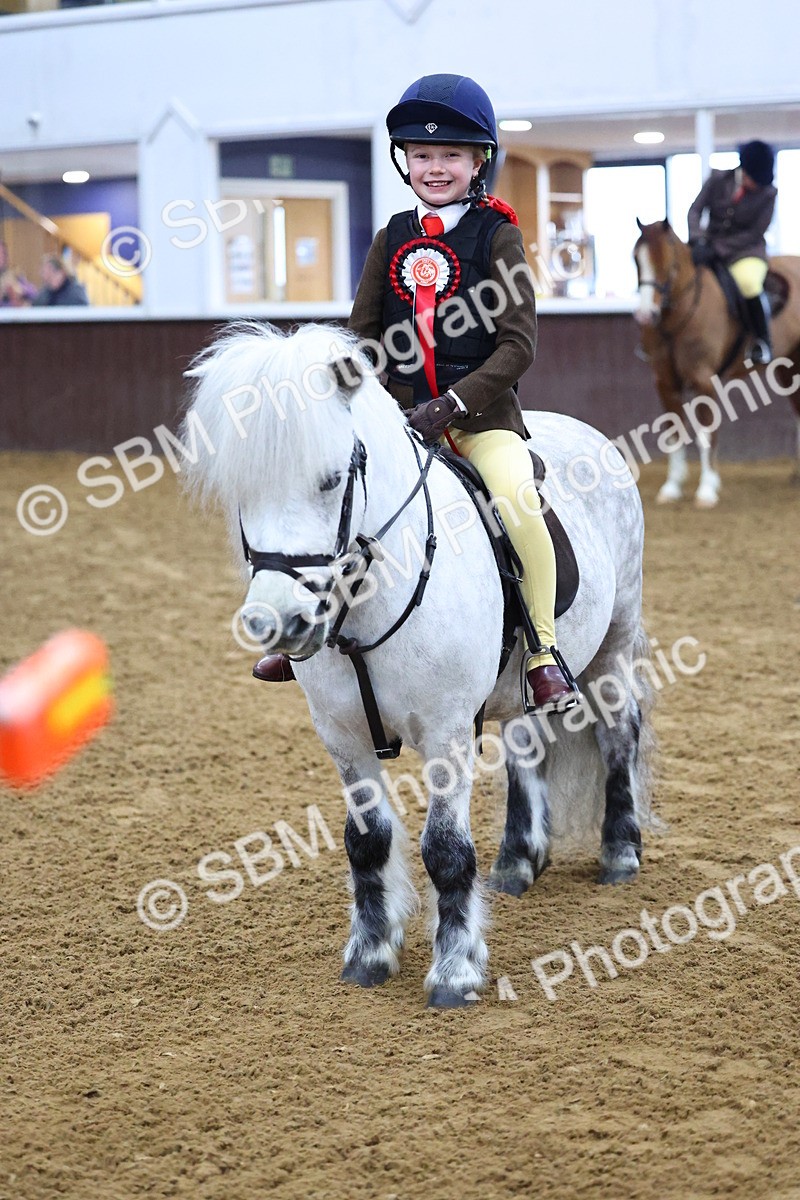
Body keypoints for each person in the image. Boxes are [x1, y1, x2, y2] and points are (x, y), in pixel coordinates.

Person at [254, 73, 580, 713]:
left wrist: (453, 405)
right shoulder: (393, 235)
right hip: (397, 418)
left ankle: (542, 651)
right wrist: (343, 393)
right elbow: (361, 336)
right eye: (423, 155)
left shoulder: (499, 236)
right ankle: (305, 632)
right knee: (338, 502)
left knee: (516, 500)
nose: (436, 167)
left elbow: (519, 346)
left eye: (451, 155)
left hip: (480, 420)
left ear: (478, 160)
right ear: (405, 160)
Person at [688, 140, 777, 364]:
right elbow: (695, 211)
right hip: (707, 246)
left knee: (748, 283)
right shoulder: (718, 180)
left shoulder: (768, 193)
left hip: (746, 252)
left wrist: (718, 248)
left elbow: (755, 232)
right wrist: (697, 239)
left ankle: (762, 341)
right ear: (743, 169)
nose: (755, 186)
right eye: (752, 179)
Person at [0, 241, 37, 307]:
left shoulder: (15, 276)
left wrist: (19, 290)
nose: (2, 257)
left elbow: (34, 295)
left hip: (12, 315)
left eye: (4, 254)